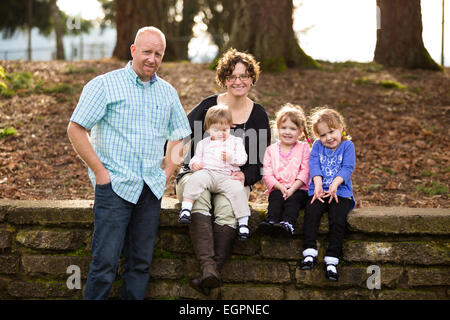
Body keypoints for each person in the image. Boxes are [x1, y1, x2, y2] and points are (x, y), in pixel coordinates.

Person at [67, 26, 191, 299]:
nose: (152, 59)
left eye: (158, 54)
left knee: (140, 265)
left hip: (150, 189)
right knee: (104, 265)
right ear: (133, 50)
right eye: (147, 52)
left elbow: (180, 136)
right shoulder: (104, 85)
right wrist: (100, 173)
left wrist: (166, 173)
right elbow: (75, 129)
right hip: (115, 188)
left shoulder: (167, 92)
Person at [174, 48, 271, 295]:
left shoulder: (258, 115)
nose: (238, 81)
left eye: (244, 75)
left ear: (252, 78)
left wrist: (246, 177)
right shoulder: (209, 106)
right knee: (200, 198)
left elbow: (260, 161)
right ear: (224, 79)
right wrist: (181, 163)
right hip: (199, 173)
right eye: (232, 76)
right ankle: (210, 268)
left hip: (231, 178)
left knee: (229, 207)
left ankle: (210, 273)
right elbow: (179, 134)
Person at [178, 105, 252, 241]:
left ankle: (243, 223)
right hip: (208, 173)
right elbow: (196, 158)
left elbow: (243, 159)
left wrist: (231, 159)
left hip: (227, 176)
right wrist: (195, 165)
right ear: (208, 129)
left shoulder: (236, 142)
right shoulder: (203, 143)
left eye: (225, 129)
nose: (221, 133)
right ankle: (186, 209)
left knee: (238, 191)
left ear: (230, 126)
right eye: (216, 130)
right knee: (195, 179)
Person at [299, 107, 356, 282]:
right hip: (319, 190)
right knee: (311, 213)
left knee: (338, 219)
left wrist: (335, 184)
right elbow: (314, 165)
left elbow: (347, 168)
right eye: (323, 135)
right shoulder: (317, 146)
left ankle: (332, 259)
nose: (328, 138)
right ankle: (309, 252)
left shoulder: (347, 146)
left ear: (340, 128)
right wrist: (317, 184)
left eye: (331, 132)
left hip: (341, 192)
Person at [258, 103, 311, 237]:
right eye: (284, 128)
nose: (287, 132)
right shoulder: (271, 150)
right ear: (277, 129)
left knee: (293, 200)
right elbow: (267, 173)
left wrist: (292, 188)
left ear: (300, 132)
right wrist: (279, 187)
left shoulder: (304, 148)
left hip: (299, 189)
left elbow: (305, 171)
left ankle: (288, 224)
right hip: (278, 187)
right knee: (275, 198)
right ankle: (271, 221)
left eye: (292, 129)